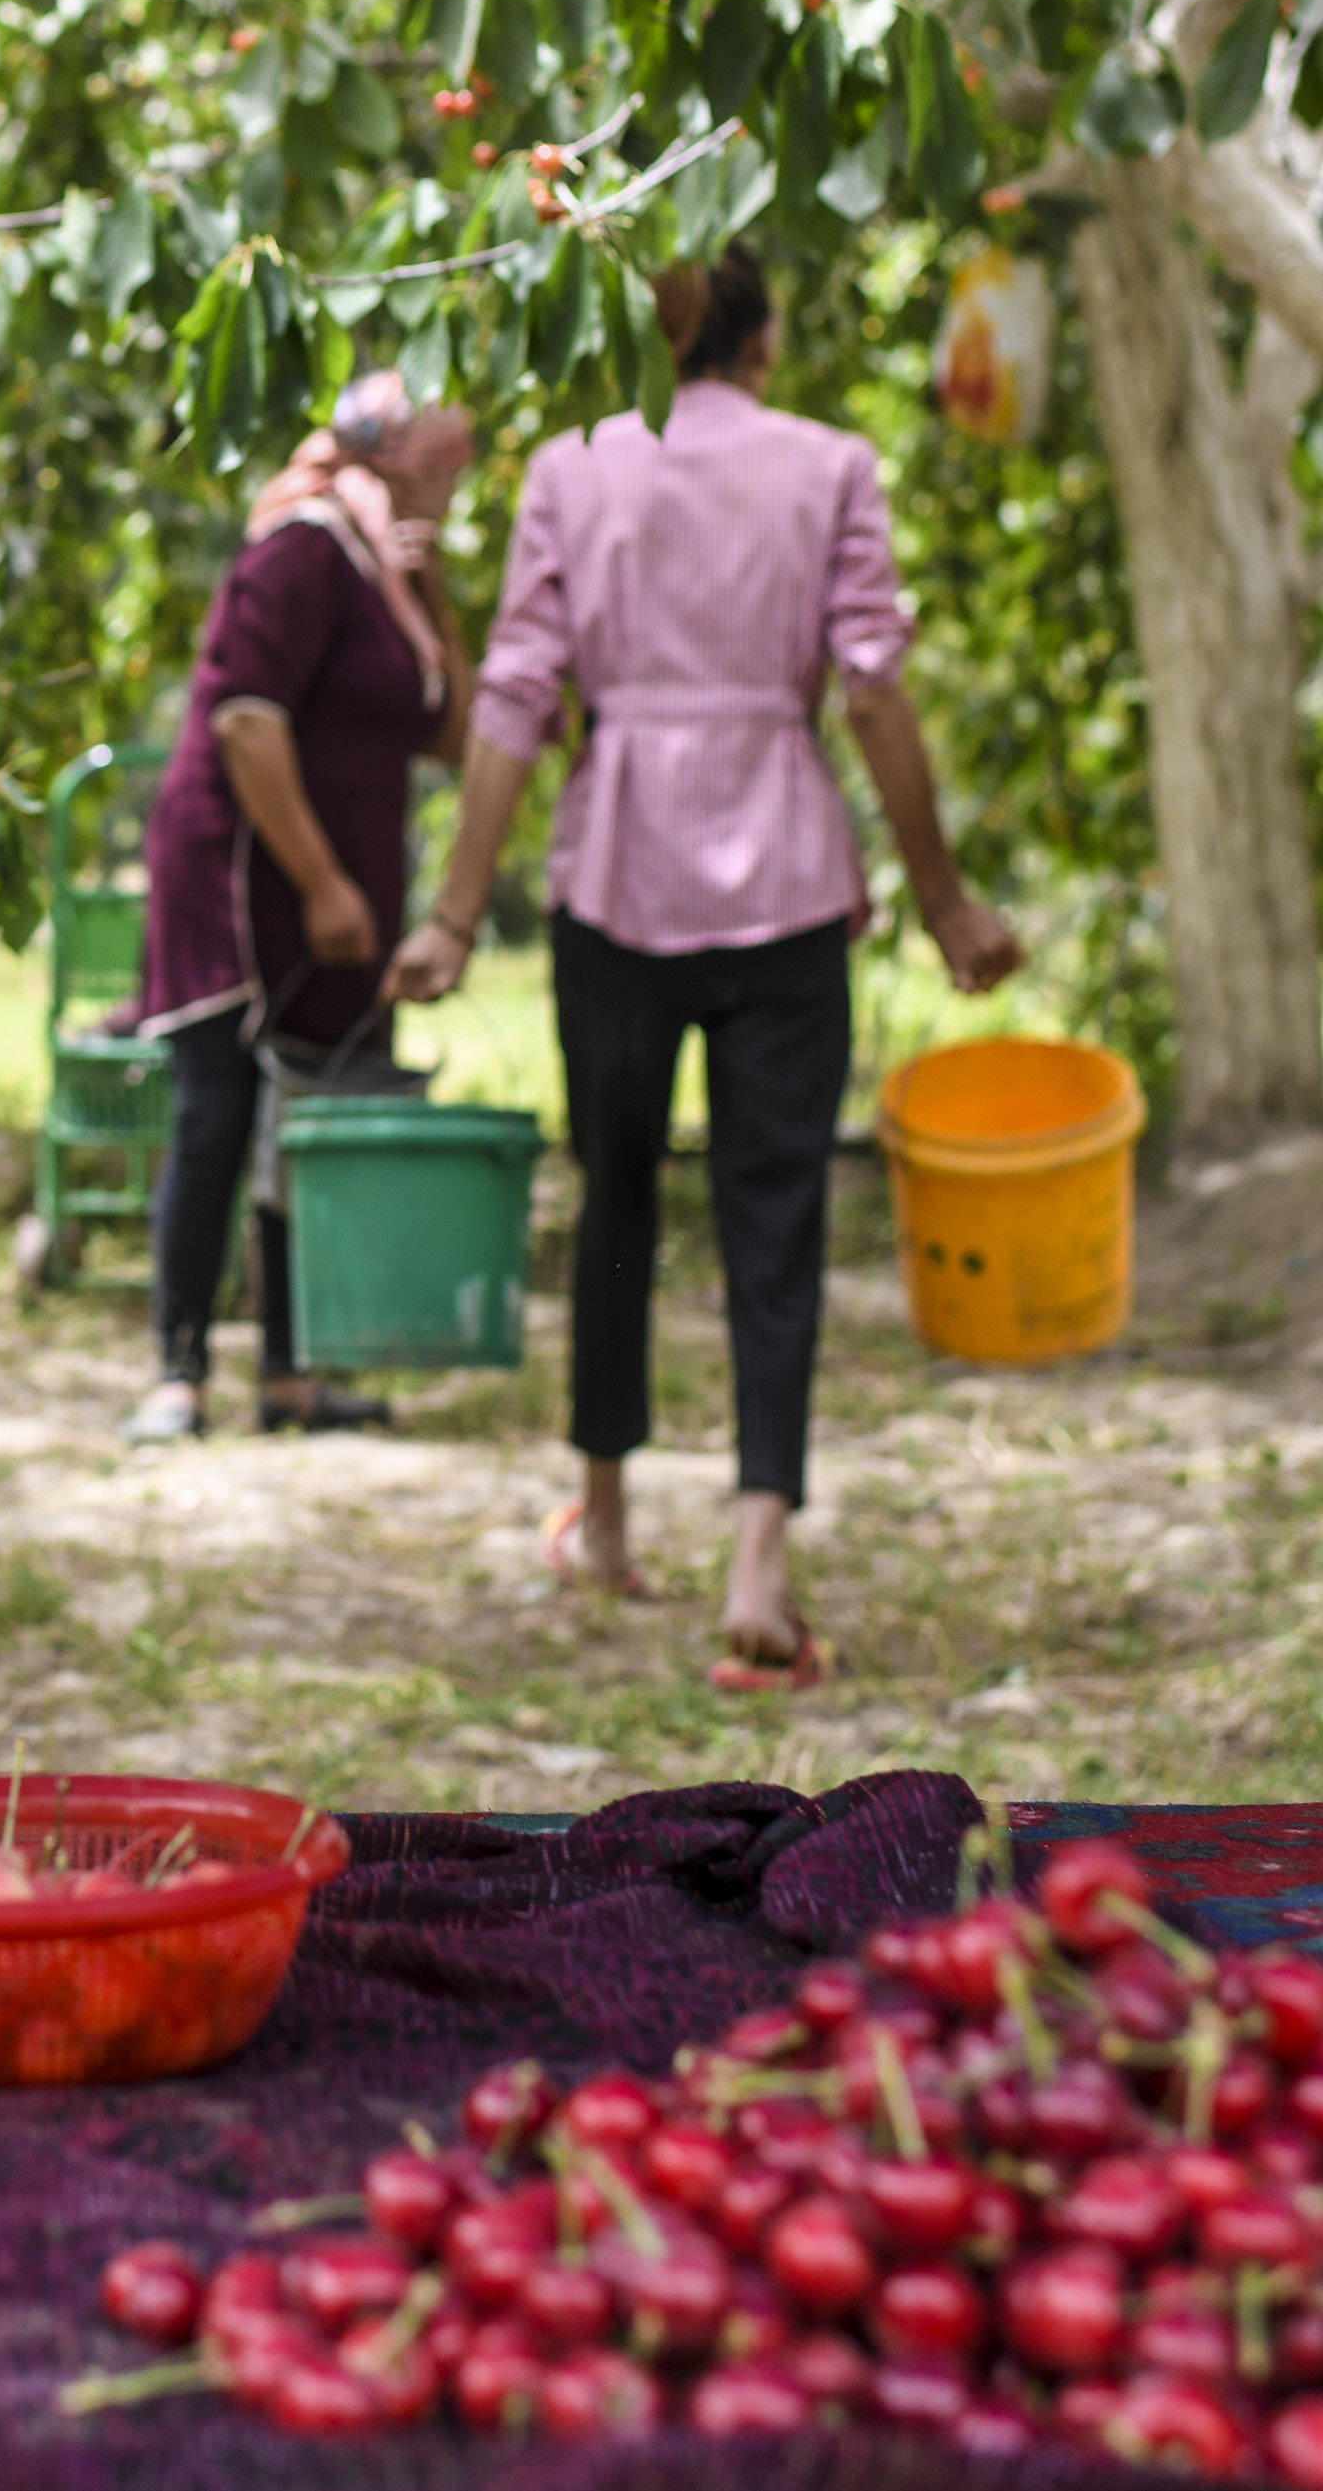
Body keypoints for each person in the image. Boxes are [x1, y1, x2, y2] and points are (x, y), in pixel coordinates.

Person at [387, 250, 1022, 1687]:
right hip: (789, 884)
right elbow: (871, 687)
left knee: (617, 1195)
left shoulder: (571, 466)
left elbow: (514, 695)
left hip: (616, 877)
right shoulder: (832, 465)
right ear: (769, 335)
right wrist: (943, 899)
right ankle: (758, 1555)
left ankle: (605, 1521)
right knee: (774, 1214)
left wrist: (450, 912)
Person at [121, 371, 478, 1442]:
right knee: (219, 1111)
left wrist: (441, 597)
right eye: (448, 465)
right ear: (397, 462)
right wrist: (321, 880)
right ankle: (179, 1373)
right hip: (243, 884)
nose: (458, 485)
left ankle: (292, 1373)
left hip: (333, 901)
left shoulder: (388, 577)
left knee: (310, 1123)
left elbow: (456, 736)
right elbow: (244, 720)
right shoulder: (304, 547)